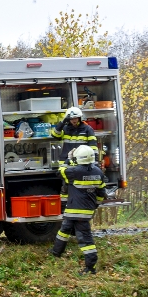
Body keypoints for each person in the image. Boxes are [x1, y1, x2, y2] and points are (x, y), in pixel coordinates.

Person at [50, 144, 107, 274]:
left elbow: (60, 172)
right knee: (65, 229)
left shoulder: (74, 171)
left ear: (78, 158)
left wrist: (68, 159)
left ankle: (91, 267)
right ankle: (56, 252)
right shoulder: (98, 172)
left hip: (74, 210)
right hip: (84, 211)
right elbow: (101, 193)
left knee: (85, 239)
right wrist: (95, 205)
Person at [51, 106, 98, 202]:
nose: (74, 121)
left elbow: (93, 147)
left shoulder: (87, 129)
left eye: (75, 118)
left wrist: (95, 163)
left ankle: (79, 203)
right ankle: (65, 205)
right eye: (71, 119)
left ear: (79, 118)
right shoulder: (65, 128)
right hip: (66, 162)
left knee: (79, 185)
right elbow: (55, 134)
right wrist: (62, 122)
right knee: (66, 186)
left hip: (81, 162)